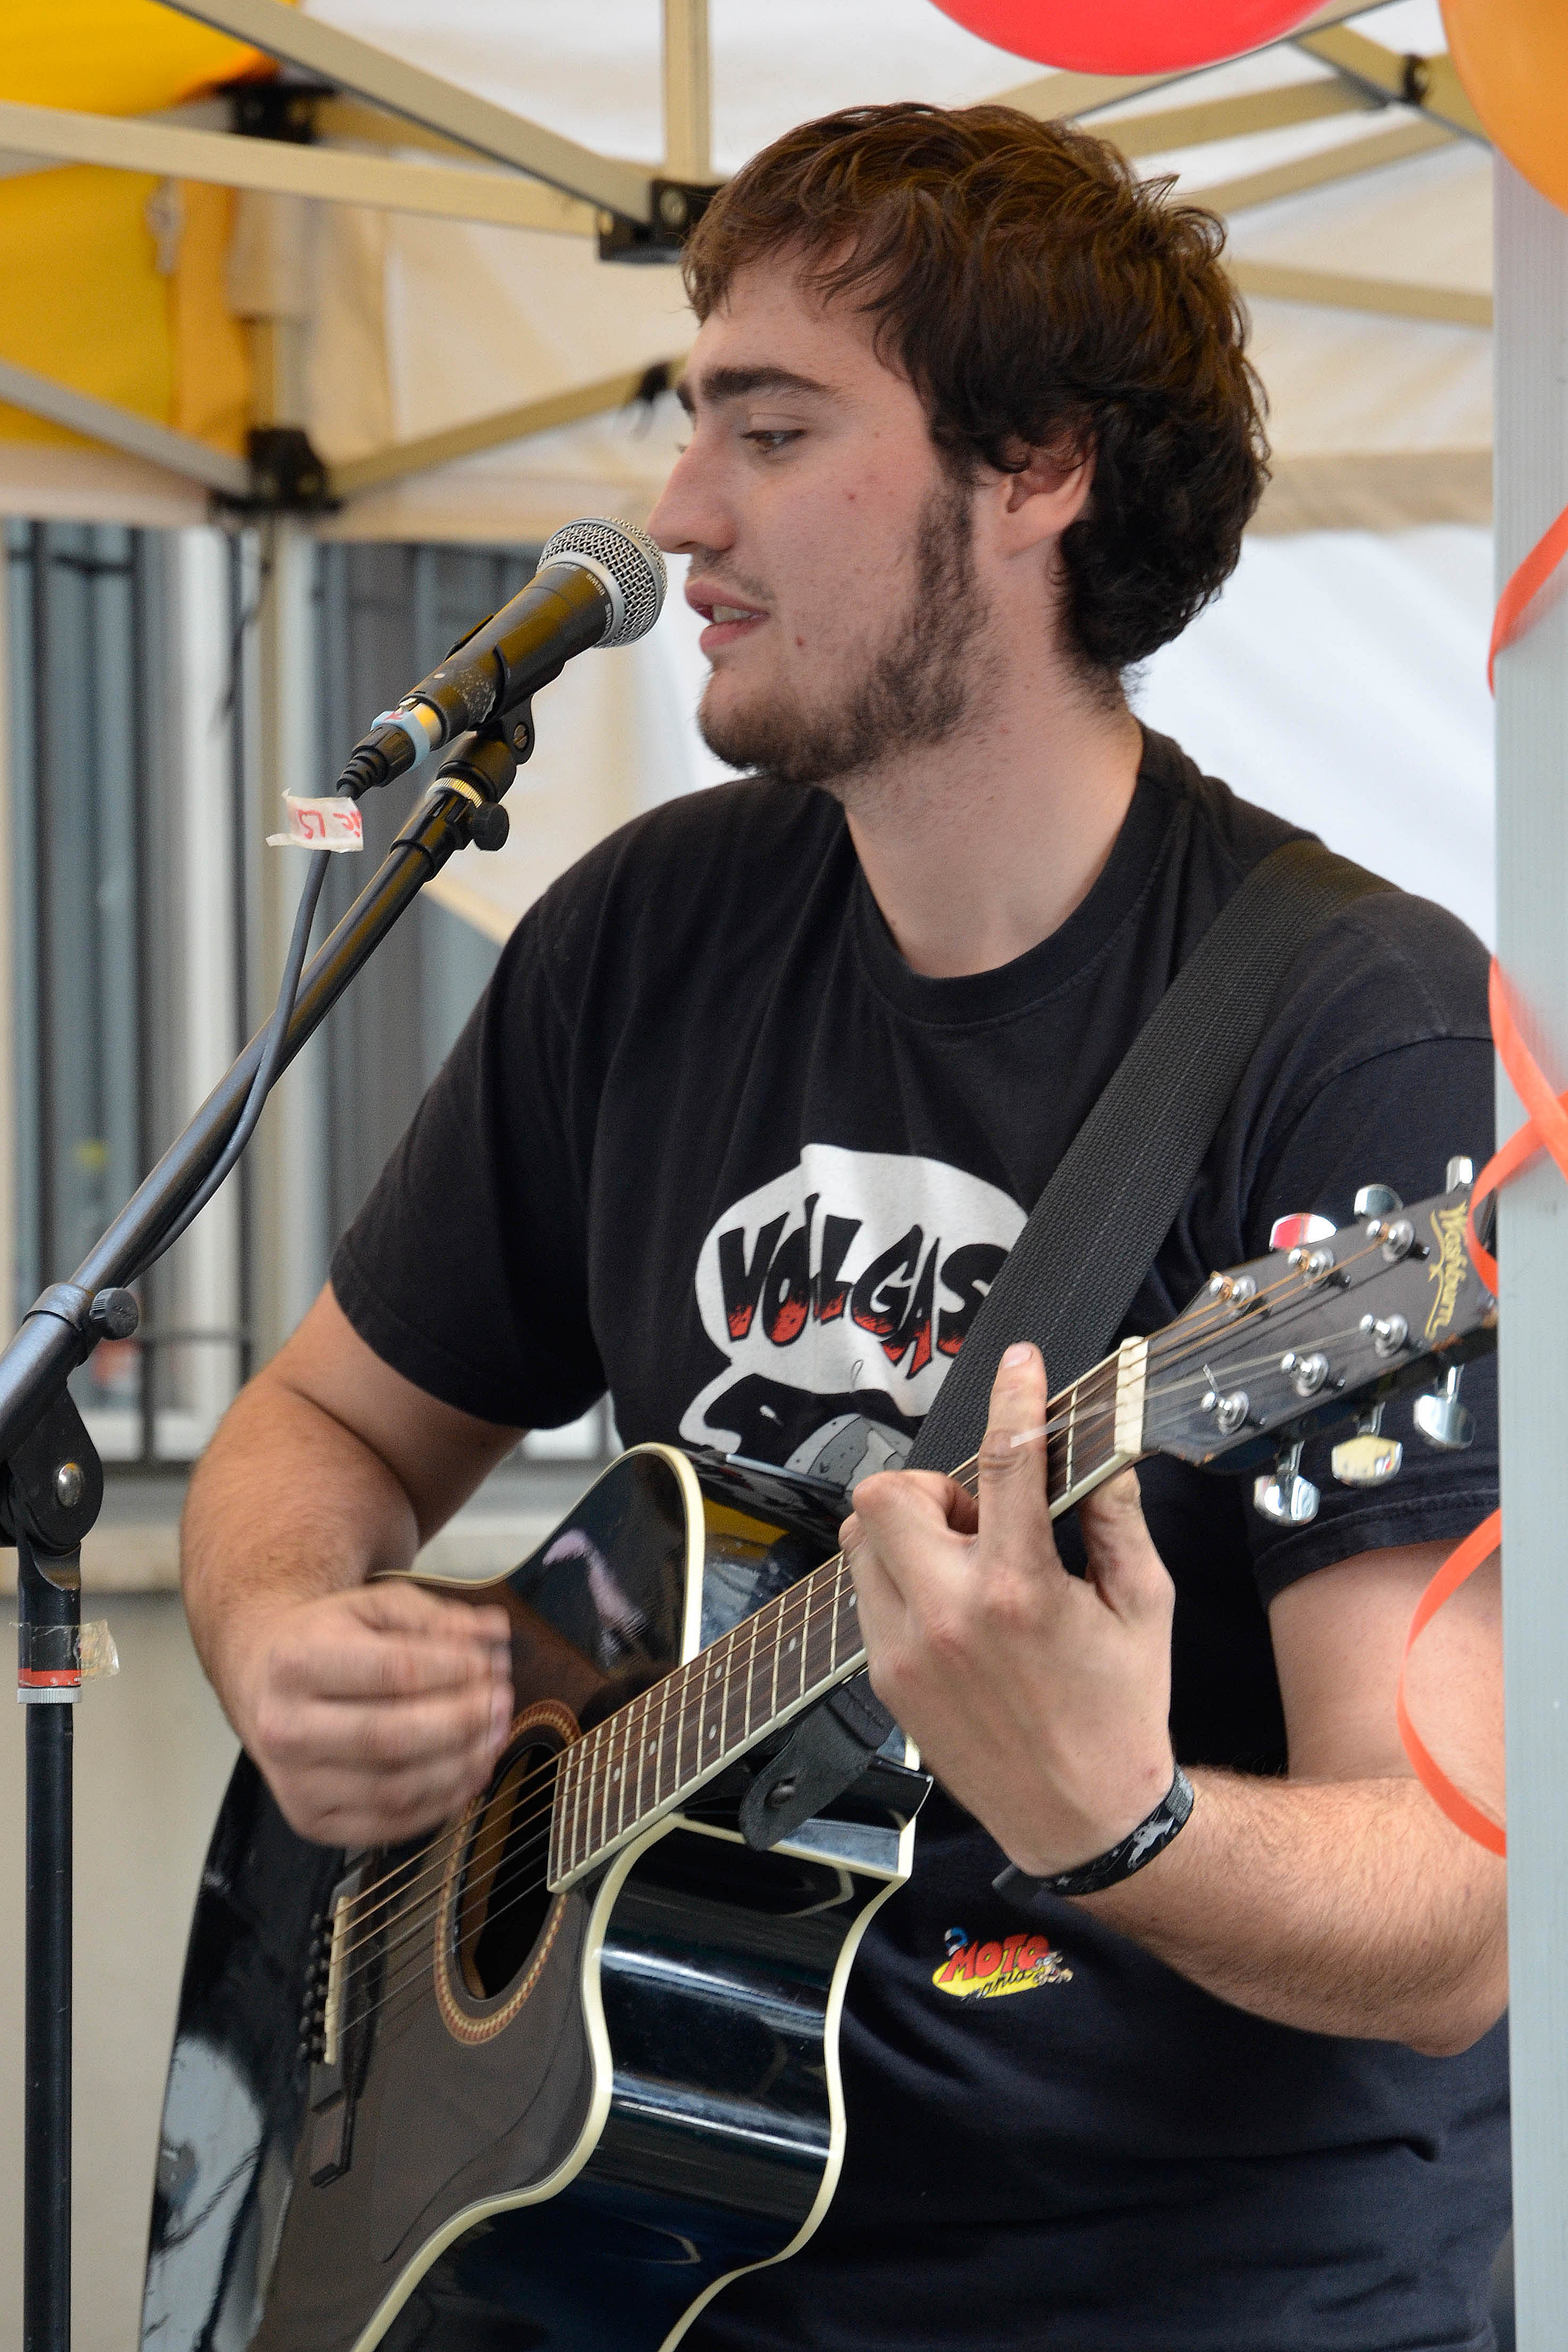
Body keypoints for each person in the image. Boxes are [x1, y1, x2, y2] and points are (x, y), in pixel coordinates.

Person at [181, 103, 1508, 2351]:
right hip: (620, 2260)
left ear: (1038, 468)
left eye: (774, 431)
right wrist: (280, 1623)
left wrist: (1122, 1819)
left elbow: (1458, 1907)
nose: (679, 513)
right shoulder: (642, 937)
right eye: (691, 422)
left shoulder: (1350, 1029)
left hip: (1176, 2300)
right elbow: (319, 1422)